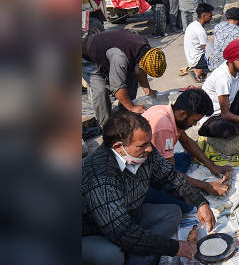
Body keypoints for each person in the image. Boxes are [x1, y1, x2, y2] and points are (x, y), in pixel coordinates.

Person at [82, 111, 215, 264]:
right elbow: (121, 231)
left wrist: (200, 202)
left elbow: (170, 176)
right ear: (118, 146)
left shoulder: (144, 151)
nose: (150, 149)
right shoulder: (100, 176)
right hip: (93, 231)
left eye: (148, 142)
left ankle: (139, 255)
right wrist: (173, 247)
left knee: (173, 213)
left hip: (130, 214)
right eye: (143, 145)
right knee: (111, 255)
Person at [143, 89, 233, 213]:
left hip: (156, 165)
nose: (195, 124)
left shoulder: (167, 112)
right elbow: (170, 175)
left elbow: (186, 141)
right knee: (188, 205)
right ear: (182, 114)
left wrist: (211, 166)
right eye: (194, 121)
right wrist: (206, 186)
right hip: (142, 181)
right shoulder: (164, 127)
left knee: (186, 157)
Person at [82, 30, 166, 127]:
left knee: (131, 77)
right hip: (88, 56)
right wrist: (132, 107)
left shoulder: (147, 50)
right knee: (101, 90)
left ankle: (124, 116)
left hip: (111, 50)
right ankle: (106, 127)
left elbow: (140, 70)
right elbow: (117, 87)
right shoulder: (120, 57)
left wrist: (148, 91)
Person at [184, 3, 213, 82]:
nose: (211, 18)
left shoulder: (192, 24)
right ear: (204, 16)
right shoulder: (200, 30)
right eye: (210, 16)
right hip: (196, 60)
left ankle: (200, 70)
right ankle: (199, 71)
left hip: (191, 57)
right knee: (221, 61)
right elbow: (207, 50)